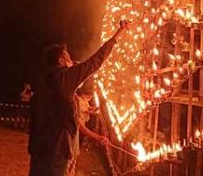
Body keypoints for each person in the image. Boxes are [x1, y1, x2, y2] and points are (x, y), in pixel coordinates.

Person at [28, 20, 129, 176]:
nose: (72, 60)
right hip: (56, 149)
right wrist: (118, 33)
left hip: (38, 147)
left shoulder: (42, 81)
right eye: (68, 57)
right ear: (61, 61)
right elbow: (95, 62)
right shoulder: (64, 77)